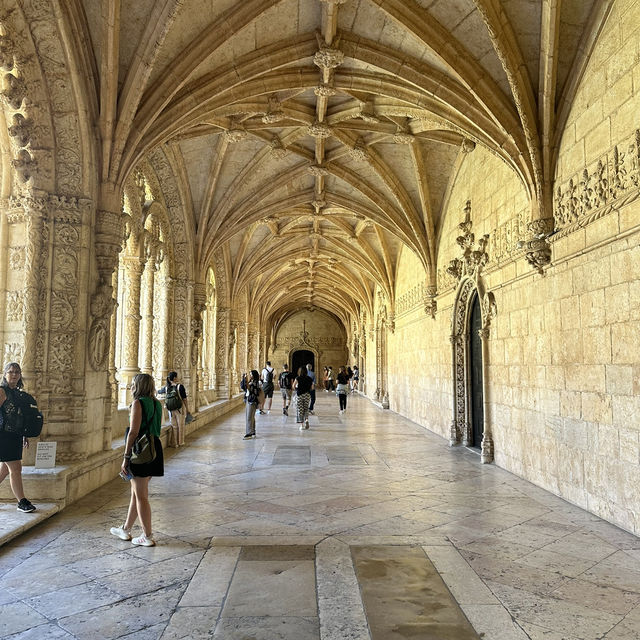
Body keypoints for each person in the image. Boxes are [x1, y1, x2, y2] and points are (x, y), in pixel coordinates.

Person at [111, 373, 163, 546]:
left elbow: (133, 432)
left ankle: (147, 536)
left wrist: (126, 457)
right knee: (136, 492)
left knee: (141, 496)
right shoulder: (157, 403)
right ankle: (125, 529)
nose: (131, 386)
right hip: (154, 449)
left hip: (140, 452)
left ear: (138, 386)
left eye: (133, 383)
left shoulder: (138, 403)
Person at [0, 363, 36, 513]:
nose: (14, 375)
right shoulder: (2, 391)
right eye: (10, 372)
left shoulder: (18, 393)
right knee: (15, 468)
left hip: (15, 436)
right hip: (4, 436)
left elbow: (20, 418)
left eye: (17, 372)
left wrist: (24, 434)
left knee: (5, 470)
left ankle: (21, 501)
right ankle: (22, 501)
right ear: (5, 374)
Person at [158, 371, 190, 448]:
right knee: (181, 425)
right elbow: (184, 399)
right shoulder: (180, 387)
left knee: (174, 426)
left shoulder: (166, 388)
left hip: (170, 410)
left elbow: (158, 392)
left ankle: (174, 443)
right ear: (175, 378)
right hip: (180, 409)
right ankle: (180, 442)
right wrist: (187, 409)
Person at [244, 370, 261, 439]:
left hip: (252, 400)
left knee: (249, 417)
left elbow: (249, 388)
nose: (250, 376)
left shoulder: (255, 383)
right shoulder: (253, 382)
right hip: (250, 400)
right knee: (252, 416)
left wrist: (246, 380)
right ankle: (253, 431)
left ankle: (249, 433)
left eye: (251, 374)